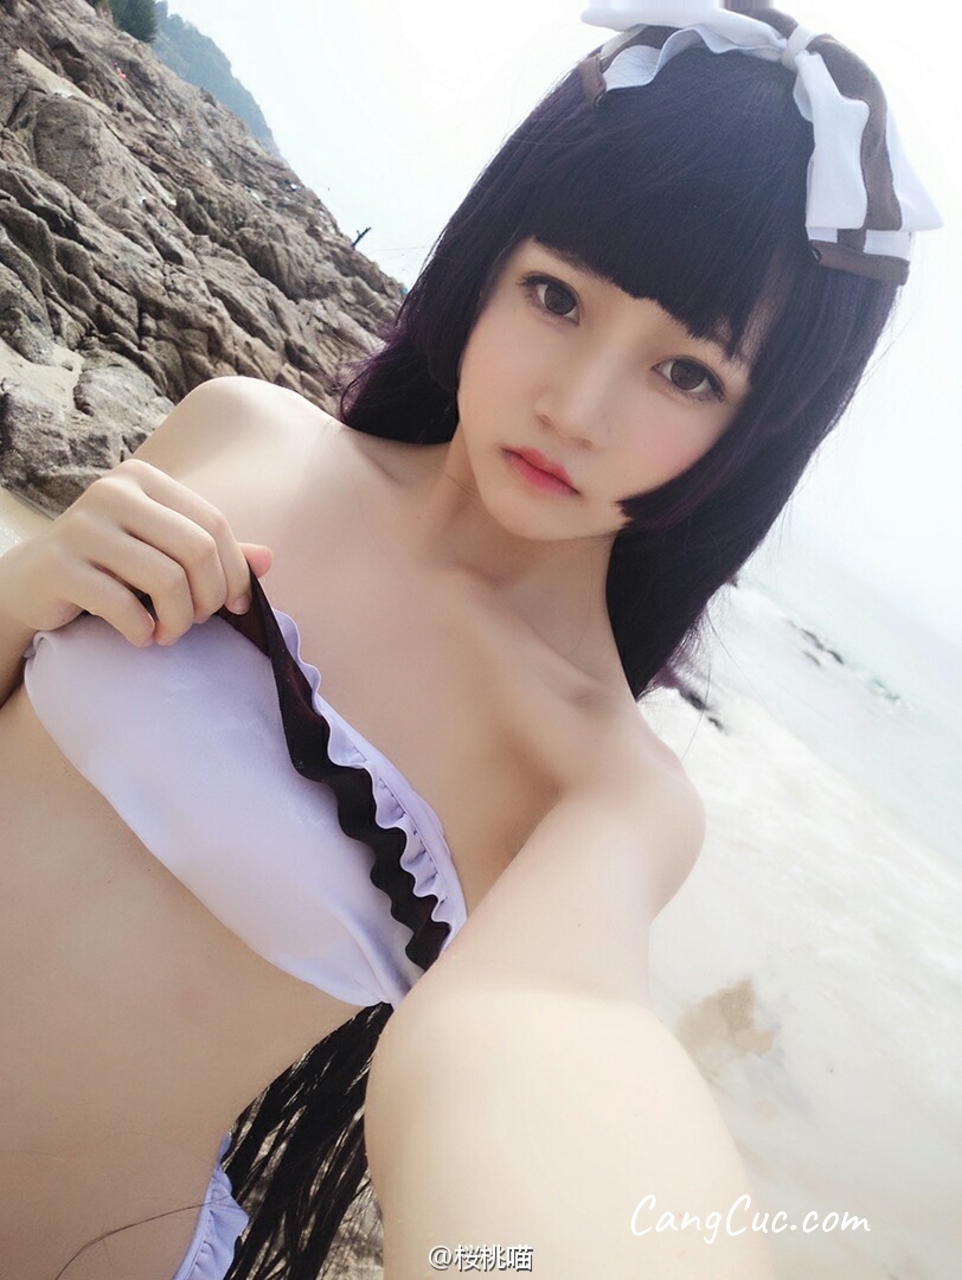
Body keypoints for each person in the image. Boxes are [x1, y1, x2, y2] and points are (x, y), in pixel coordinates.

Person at [0, 3, 939, 1278]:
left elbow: (550, 1038)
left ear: (754, 433)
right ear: (489, 261)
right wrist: (31, 583)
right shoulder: (241, 432)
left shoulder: (599, 788)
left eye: (687, 374)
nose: (575, 407)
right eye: (556, 295)